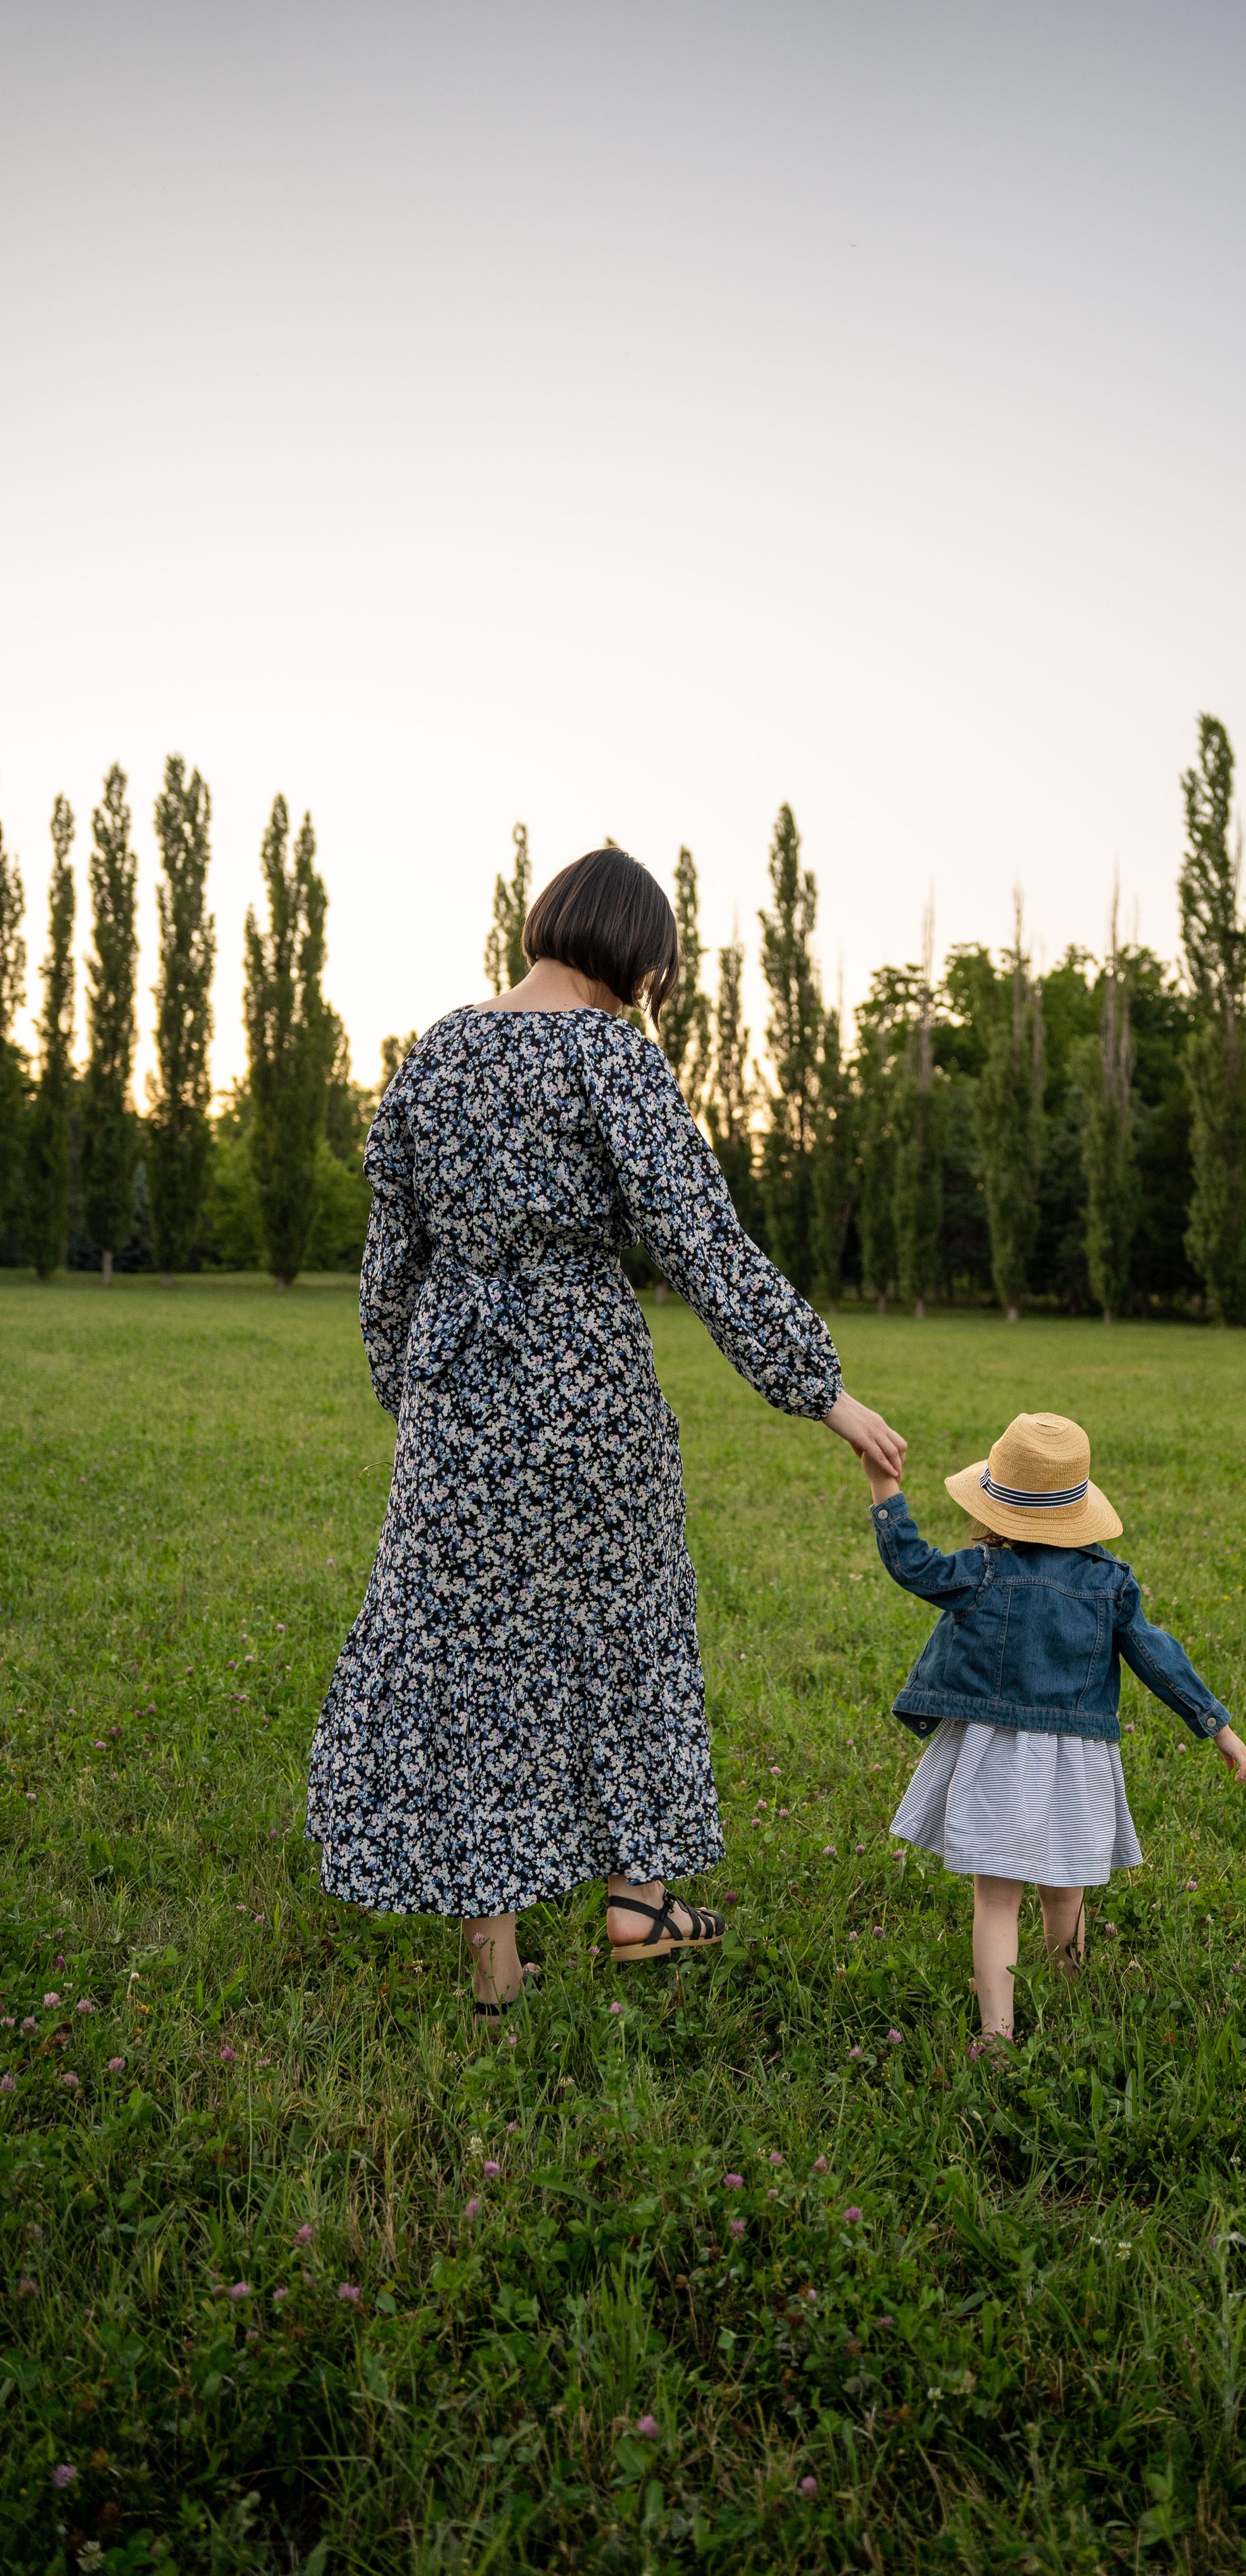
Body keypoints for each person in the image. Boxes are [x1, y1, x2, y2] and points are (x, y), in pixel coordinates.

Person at [306, 845, 904, 2013]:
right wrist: (821, 1390)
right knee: (626, 1624)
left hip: (457, 1384)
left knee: (468, 1654)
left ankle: (495, 1966)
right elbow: (701, 1241)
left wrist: (418, 1397)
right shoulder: (609, 1057)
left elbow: (388, 1269)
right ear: (635, 952)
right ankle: (640, 1898)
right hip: (584, 1379)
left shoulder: (432, 1054)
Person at [860, 1408, 1246, 2040]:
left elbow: (913, 1565)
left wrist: (885, 1488)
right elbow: (1158, 1659)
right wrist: (1217, 1728)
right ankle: (1063, 1978)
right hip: (1081, 1762)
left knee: (996, 1900)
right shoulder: (1111, 1584)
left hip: (996, 1755)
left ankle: (996, 2030)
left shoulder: (981, 1572)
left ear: (994, 1505)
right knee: (1065, 1888)